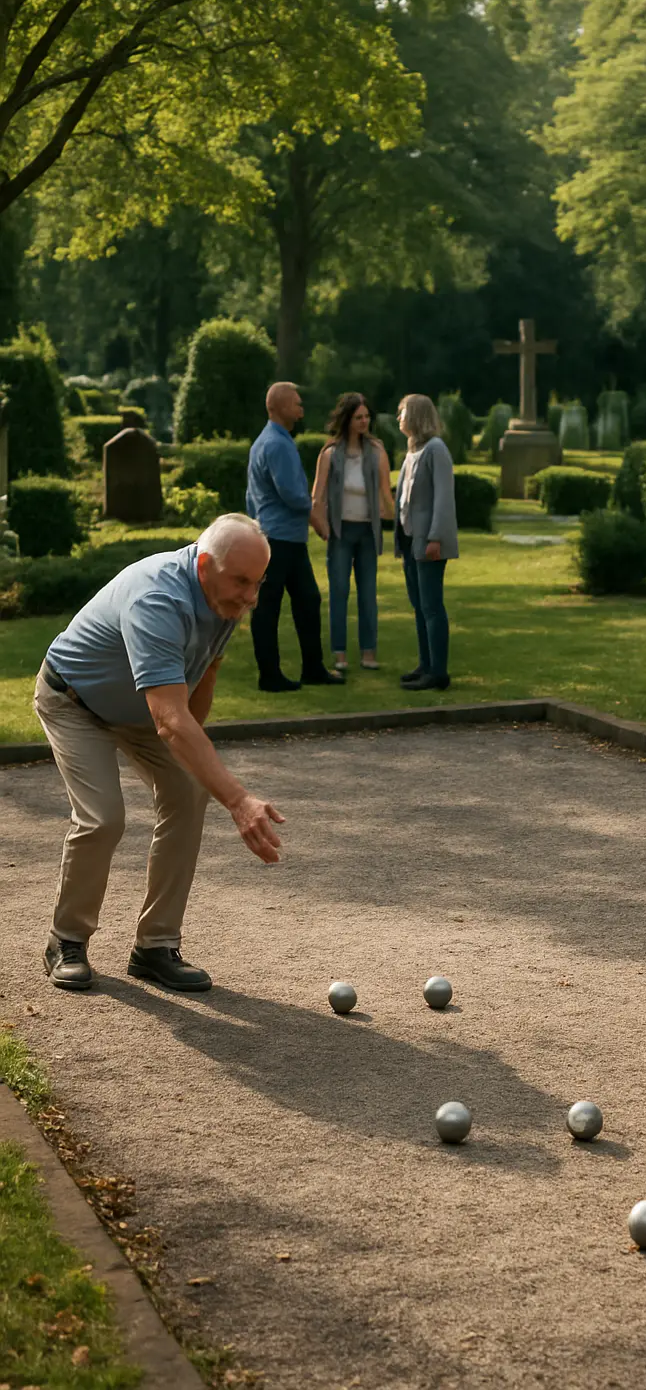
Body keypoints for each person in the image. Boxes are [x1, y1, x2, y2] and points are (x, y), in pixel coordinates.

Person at [34, 514, 286, 994]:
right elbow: (170, 720)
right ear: (205, 565)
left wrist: (194, 762)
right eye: (242, 582)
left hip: (143, 708)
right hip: (75, 701)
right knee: (103, 818)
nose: (251, 596)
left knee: (189, 790)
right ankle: (66, 940)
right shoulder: (157, 597)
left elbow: (203, 677)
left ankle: (155, 946)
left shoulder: (223, 595)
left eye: (258, 583)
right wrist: (238, 800)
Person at [246, 381, 343, 691]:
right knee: (270, 606)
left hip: (280, 536)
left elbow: (251, 495)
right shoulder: (277, 444)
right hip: (280, 539)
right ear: (279, 406)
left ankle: (312, 668)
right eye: (297, 404)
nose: (301, 409)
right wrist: (317, 519)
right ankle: (270, 675)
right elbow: (292, 493)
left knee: (306, 600)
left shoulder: (268, 441)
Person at [310, 393, 394, 677]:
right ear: (347, 419)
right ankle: (340, 654)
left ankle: (369, 653)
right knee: (339, 592)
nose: (364, 421)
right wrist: (321, 526)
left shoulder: (377, 451)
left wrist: (394, 515)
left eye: (367, 417)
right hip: (341, 531)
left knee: (368, 593)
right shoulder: (330, 453)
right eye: (358, 417)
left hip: (368, 531)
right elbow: (317, 497)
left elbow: (385, 492)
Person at [393, 394, 458, 691]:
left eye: (403, 412)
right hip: (410, 541)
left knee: (431, 606)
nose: (399, 418)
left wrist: (435, 538)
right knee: (419, 606)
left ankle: (438, 672)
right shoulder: (413, 451)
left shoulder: (436, 449)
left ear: (417, 415)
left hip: (428, 541)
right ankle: (426, 665)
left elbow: (443, 499)